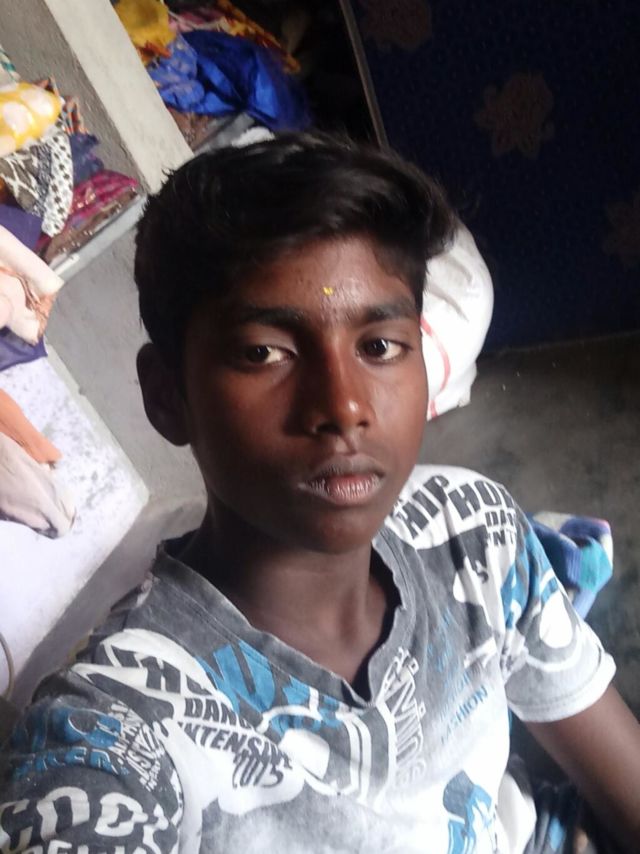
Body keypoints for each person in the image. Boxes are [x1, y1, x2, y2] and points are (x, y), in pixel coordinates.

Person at [1, 133, 639, 853]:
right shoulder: (120, 729)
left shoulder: (473, 536)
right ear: (167, 396)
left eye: (379, 346)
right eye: (264, 353)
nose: (343, 406)